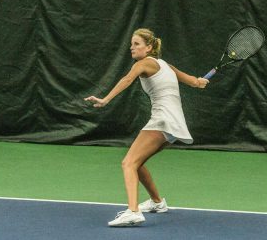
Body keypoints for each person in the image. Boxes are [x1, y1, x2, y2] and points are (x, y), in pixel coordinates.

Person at [84, 28, 209, 227]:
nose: (131, 48)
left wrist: (105, 99)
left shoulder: (143, 64)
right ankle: (157, 203)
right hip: (174, 125)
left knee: (128, 163)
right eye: (131, 44)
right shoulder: (165, 65)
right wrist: (200, 81)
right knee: (138, 163)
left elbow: (126, 80)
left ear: (149, 47)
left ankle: (133, 211)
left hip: (163, 121)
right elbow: (194, 82)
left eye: (137, 44)